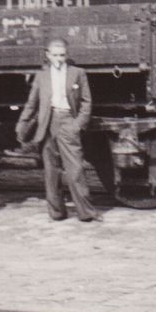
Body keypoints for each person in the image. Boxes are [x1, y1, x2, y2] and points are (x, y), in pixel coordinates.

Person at [15, 39, 100, 222]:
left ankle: (86, 212)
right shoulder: (41, 76)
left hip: (68, 120)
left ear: (67, 55)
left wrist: (77, 124)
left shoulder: (77, 73)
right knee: (51, 171)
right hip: (47, 123)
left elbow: (87, 102)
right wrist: (22, 123)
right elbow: (32, 103)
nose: (59, 59)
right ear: (48, 55)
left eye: (62, 55)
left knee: (75, 169)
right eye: (55, 55)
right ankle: (56, 212)